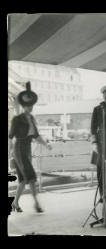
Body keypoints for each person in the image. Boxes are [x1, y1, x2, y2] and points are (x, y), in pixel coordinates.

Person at [8, 82, 52, 213]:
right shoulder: (17, 119)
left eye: (31, 105)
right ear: (23, 105)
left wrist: (46, 144)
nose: (30, 107)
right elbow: (10, 136)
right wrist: (9, 152)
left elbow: (36, 136)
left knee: (22, 180)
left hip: (27, 149)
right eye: (27, 105)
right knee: (31, 177)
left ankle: (15, 203)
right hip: (19, 149)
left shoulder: (32, 118)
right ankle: (36, 204)